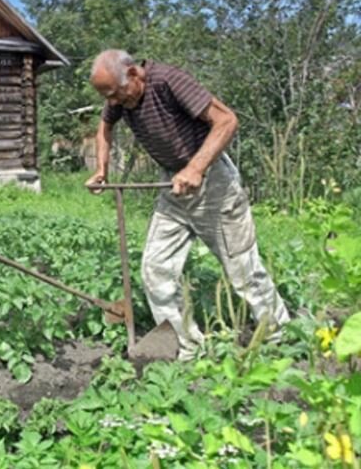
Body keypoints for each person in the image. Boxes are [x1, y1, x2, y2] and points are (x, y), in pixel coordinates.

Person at [85, 49, 290, 361]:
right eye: (107, 96)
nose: (112, 102)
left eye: (115, 93)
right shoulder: (118, 98)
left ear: (134, 74)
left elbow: (226, 120)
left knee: (242, 268)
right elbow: (105, 127)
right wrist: (102, 169)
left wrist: (196, 167)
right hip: (173, 186)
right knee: (156, 268)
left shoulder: (168, 81)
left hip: (213, 183)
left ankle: (280, 338)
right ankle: (184, 347)